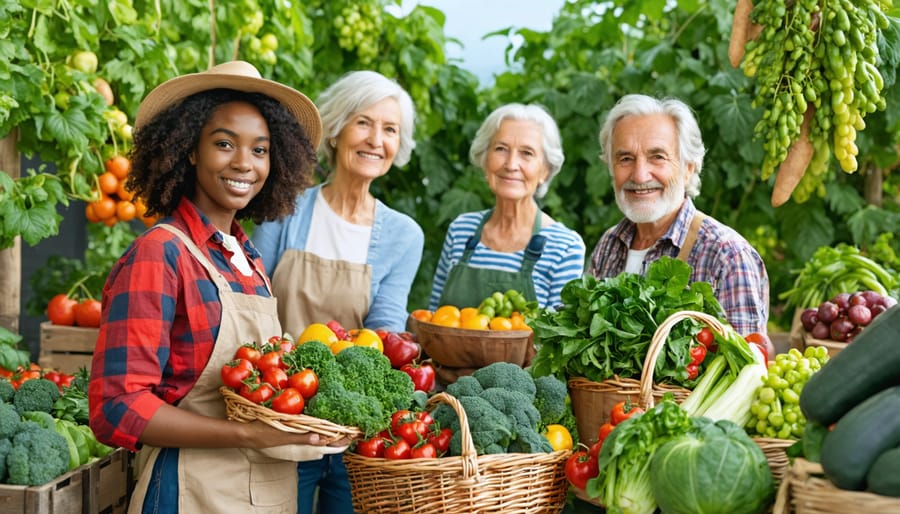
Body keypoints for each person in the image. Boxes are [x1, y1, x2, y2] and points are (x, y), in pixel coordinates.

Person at [88, 60, 349, 514]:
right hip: (193, 493)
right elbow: (117, 407)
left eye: (260, 150)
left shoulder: (246, 259)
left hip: (268, 495)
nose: (244, 164)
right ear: (190, 150)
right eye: (224, 144)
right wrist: (248, 433)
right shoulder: (161, 254)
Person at [252, 70, 423, 514]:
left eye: (390, 130)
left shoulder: (403, 235)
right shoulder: (286, 208)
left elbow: (385, 330)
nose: (375, 139)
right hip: (281, 411)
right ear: (338, 130)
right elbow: (256, 304)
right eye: (363, 122)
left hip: (353, 427)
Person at [588, 93, 770, 337]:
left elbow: (749, 366)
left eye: (658, 157)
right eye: (625, 159)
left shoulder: (727, 255)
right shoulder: (609, 245)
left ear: (688, 168)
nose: (640, 175)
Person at [428, 103, 586, 311]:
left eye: (526, 153)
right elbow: (433, 318)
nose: (511, 164)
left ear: (545, 170)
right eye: (501, 149)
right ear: (485, 160)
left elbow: (560, 339)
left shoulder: (564, 246)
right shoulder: (461, 230)